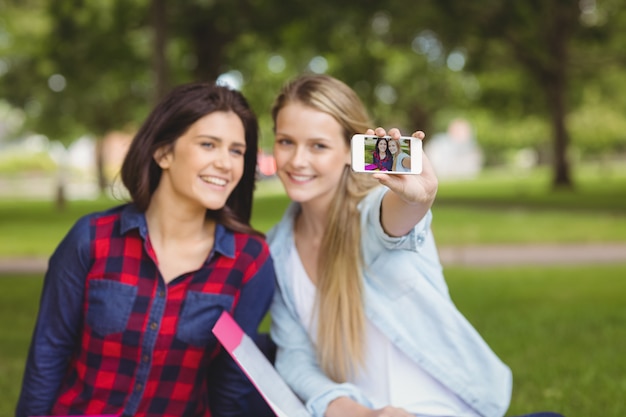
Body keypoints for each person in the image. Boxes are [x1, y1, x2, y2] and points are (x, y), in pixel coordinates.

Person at [267, 73, 563, 417]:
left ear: (351, 151)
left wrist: (416, 200)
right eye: (286, 141)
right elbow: (295, 358)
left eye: (318, 145)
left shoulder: (374, 209)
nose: (297, 160)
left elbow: (393, 224)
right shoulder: (276, 249)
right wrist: (357, 413)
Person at [16, 82, 276, 417]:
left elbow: (229, 383)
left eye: (236, 151)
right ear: (163, 152)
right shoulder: (92, 239)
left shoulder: (248, 262)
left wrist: (370, 155)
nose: (226, 163)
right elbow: (48, 355)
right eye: (208, 145)